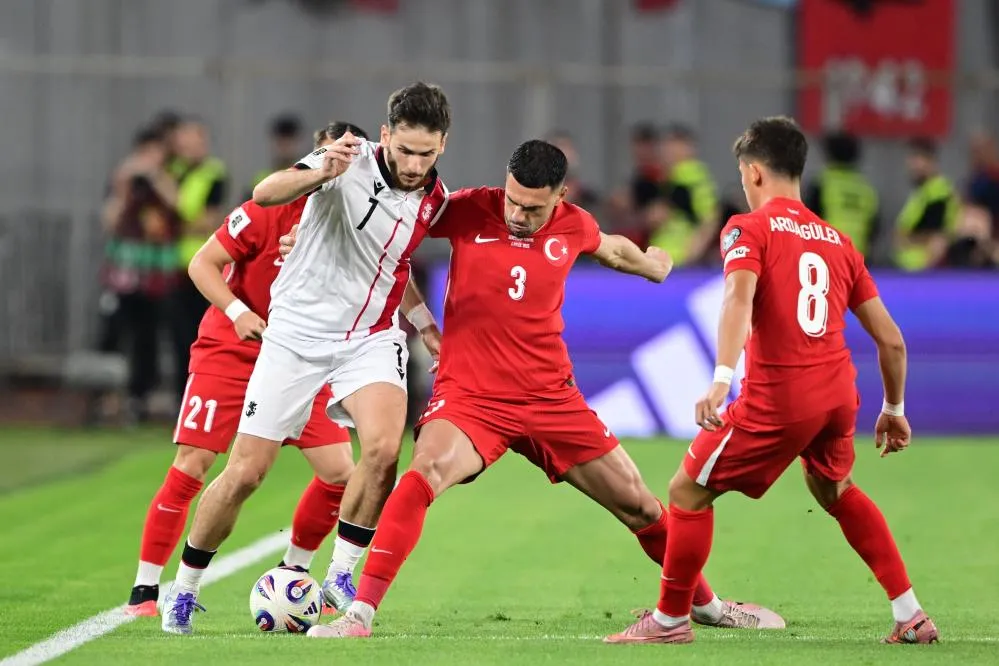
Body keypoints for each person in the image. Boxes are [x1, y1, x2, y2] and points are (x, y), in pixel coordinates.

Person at [303, 140, 784, 639]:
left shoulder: (574, 224)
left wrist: (652, 264)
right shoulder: (467, 209)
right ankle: (359, 615)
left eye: (532, 208)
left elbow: (612, 249)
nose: (517, 215)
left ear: (561, 196)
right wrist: (319, 238)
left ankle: (705, 605)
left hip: (551, 399)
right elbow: (383, 237)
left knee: (641, 505)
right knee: (422, 474)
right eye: (513, 201)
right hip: (471, 398)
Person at [605, 116, 938, 645]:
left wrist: (721, 379)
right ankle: (911, 614)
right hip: (838, 396)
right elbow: (892, 340)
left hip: (783, 396)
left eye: (743, 174)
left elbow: (737, 300)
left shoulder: (747, 228)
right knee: (835, 489)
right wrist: (894, 410)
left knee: (687, 491)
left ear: (755, 172)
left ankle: (669, 621)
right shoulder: (839, 242)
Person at [160, 83, 451, 634]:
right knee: (246, 473)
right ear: (385, 135)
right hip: (295, 337)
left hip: (368, 338)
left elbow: (394, 262)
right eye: (405, 150)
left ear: (443, 145)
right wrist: (319, 172)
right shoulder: (345, 157)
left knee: (384, 448)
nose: (414, 165)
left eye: (426, 153)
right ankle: (186, 586)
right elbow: (266, 192)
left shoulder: (435, 199)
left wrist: (425, 324)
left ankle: (340, 573)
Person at [129, 122, 371, 620]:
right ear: (314, 157)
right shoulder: (270, 205)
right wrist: (238, 312)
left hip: (299, 355)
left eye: (350, 158)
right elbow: (202, 263)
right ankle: (146, 591)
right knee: (195, 463)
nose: (337, 166)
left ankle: (292, 572)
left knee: (341, 474)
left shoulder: (359, 222)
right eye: (330, 155)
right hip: (232, 349)